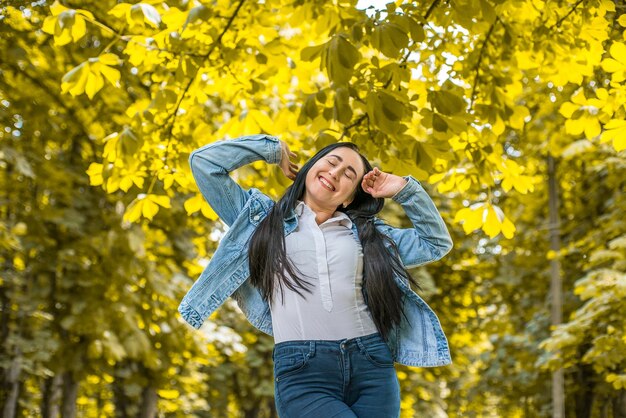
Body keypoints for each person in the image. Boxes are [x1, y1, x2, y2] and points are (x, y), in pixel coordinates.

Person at [178, 134, 454, 417]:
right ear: (310, 168)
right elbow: (203, 163)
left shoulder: (371, 235)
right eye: (332, 162)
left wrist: (402, 189)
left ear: (350, 197)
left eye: (349, 174)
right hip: (303, 372)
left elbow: (436, 243)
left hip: (371, 365)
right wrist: (271, 149)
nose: (335, 173)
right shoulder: (261, 222)